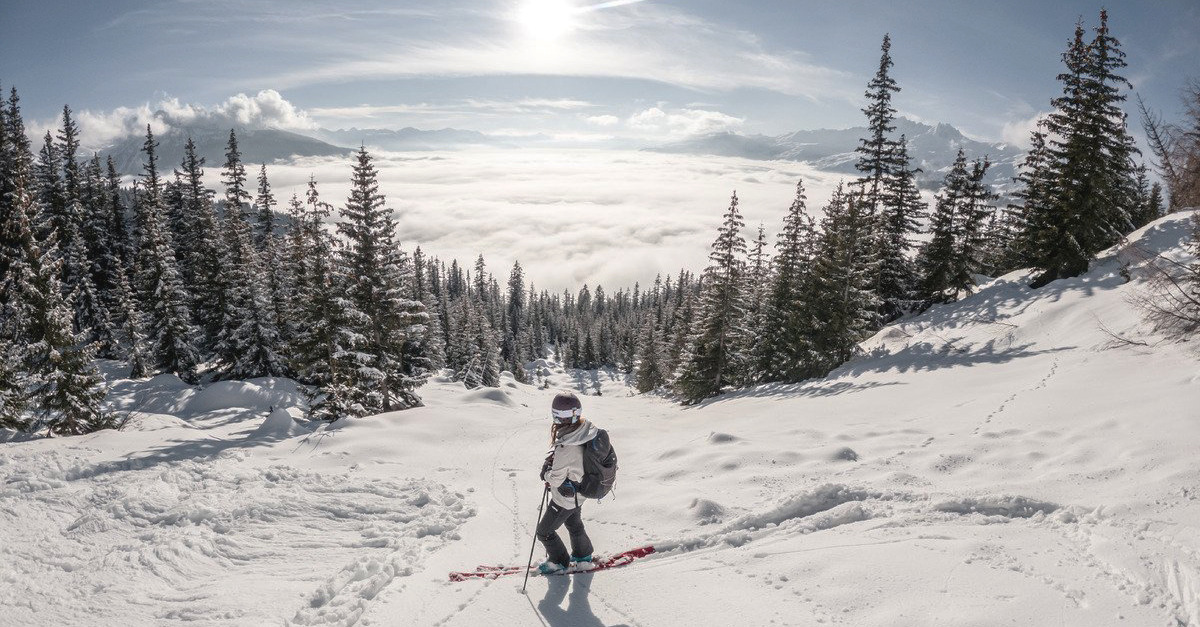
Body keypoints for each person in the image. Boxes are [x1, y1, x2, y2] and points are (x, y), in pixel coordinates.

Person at [536, 391, 598, 574]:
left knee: (544, 532)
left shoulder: (567, 447)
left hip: (565, 498)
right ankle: (583, 555)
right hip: (579, 492)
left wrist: (546, 473)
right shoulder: (585, 429)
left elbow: (555, 479)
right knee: (574, 524)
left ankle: (559, 561)